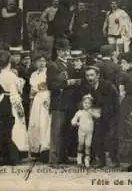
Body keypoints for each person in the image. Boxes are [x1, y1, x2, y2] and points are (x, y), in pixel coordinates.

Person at [0, 50, 29, 166]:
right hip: (11, 101)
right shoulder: (11, 75)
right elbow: (16, 90)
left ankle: (0, 156)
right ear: (9, 62)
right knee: (14, 128)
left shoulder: (1, 73)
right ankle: (12, 156)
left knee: (2, 130)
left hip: (3, 100)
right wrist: (21, 82)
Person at [47, 38, 81, 168]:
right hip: (59, 103)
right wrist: (68, 83)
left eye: (68, 50)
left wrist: (78, 72)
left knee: (66, 131)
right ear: (58, 51)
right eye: (63, 50)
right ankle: (53, 160)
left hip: (69, 103)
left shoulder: (71, 64)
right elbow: (51, 85)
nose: (66, 53)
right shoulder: (53, 65)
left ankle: (63, 156)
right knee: (56, 131)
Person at [80, 65, 119, 168]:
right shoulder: (87, 87)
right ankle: (101, 161)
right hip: (97, 116)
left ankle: (113, 160)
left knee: (109, 138)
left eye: (92, 75)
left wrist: (101, 112)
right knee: (98, 137)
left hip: (111, 115)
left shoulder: (107, 86)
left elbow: (113, 103)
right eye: (87, 75)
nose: (90, 78)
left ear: (98, 75)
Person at [27, 52, 51, 162]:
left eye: (43, 61)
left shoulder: (48, 73)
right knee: (35, 124)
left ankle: (45, 150)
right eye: (39, 61)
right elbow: (32, 90)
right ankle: (36, 150)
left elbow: (47, 85)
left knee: (44, 124)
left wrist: (38, 88)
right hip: (37, 100)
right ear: (35, 63)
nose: (41, 63)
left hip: (46, 98)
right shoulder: (33, 74)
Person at [71, 94, 101, 168]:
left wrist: (91, 112)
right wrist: (76, 123)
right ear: (82, 103)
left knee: (88, 145)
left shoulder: (91, 112)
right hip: (81, 131)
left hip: (89, 132)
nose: (86, 105)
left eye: (88, 103)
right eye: (85, 103)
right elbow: (73, 120)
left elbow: (98, 116)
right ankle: (79, 159)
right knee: (81, 143)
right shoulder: (80, 112)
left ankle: (87, 159)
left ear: (91, 104)